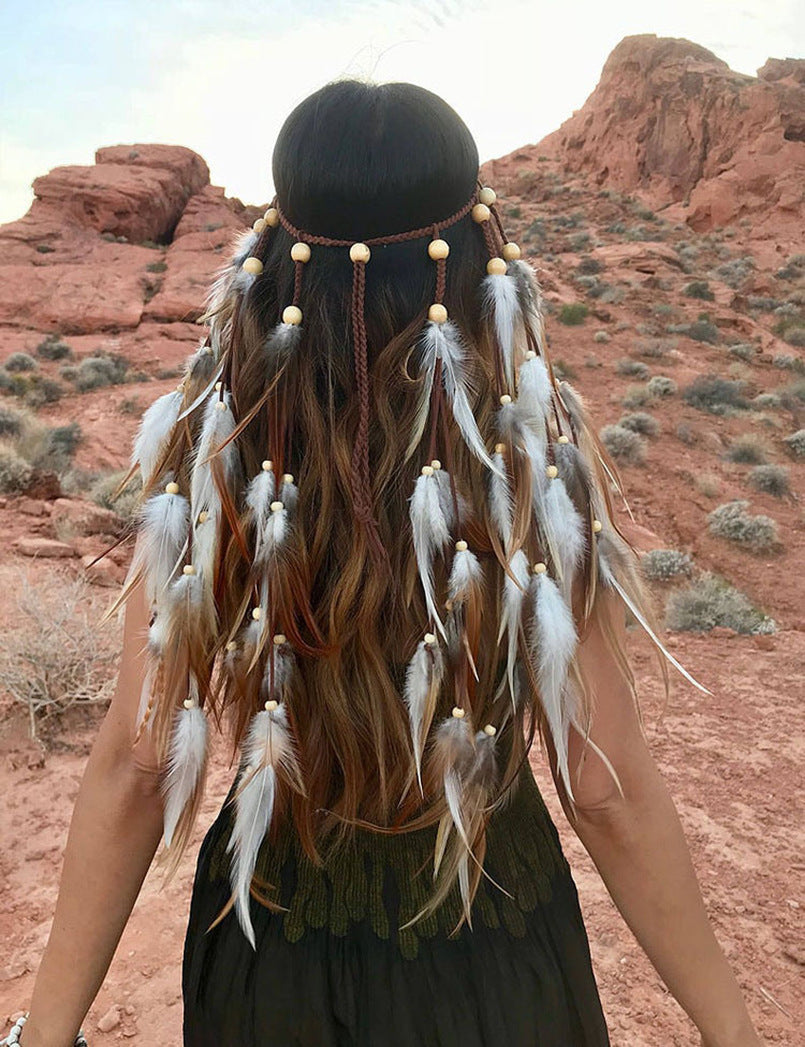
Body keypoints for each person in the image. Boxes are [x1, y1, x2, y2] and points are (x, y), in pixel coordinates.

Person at [5, 80, 762, 1047]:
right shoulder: (525, 461)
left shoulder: (222, 454)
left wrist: (47, 1032)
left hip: (269, 953)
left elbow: (137, 760)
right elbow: (605, 789)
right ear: (480, 251)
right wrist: (730, 1031)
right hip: (492, 945)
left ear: (273, 252)